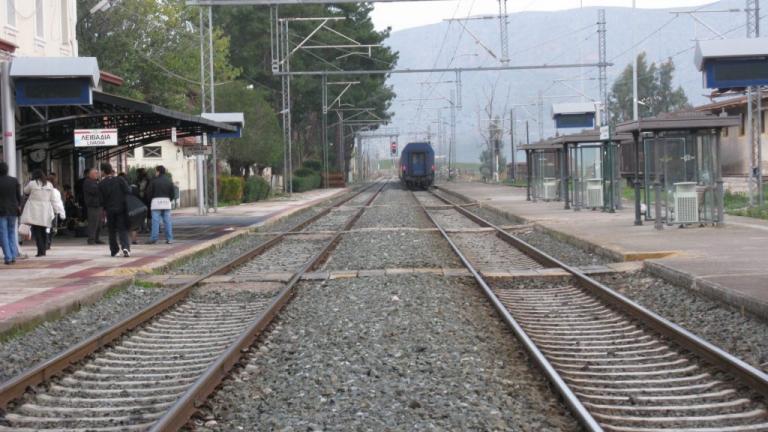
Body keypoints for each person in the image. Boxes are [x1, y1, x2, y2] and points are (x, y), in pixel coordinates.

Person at [20, 169, 57, 257]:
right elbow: (53, 198)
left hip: (34, 210)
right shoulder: (49, 184)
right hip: (45, 210)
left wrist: (28, 182)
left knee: (37, 231)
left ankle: (40, 251)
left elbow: (25, 191)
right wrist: (55, 210)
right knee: (43, 230)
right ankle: (43, 250)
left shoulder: (32, 183)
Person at [98, 163, 131, 257]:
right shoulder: (120, 180)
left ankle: (114, 250)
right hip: (121, 209)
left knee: (111, 231)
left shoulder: (101, 184)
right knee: (122, 229)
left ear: (103, 171)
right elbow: (128, 191)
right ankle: (125, 247)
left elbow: (100, 200)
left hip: (109, 210)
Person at [146, 165, 175, 244]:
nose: (155, 173)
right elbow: (172, 194)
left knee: (155, 222)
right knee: (167, 221)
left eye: (156, 171)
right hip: (166, 203)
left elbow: (149, 193)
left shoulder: (154, 181)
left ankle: (154, 238)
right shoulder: (169, 181)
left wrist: (150, 200)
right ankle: (169, 238)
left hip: (156, 203)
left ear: (158, 171)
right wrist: (169, 199)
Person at [0, 162, 20, 264]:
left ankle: (8, 257)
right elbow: (18, 196)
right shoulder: (14, 181)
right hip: (13, 210)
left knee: (3, 234)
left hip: (1, 211)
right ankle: (13, 255)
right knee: (11, 232)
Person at [83, 168, 103, 245]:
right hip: (92, 205)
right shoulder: (88, 182)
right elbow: (95, 191)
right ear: (91, 174)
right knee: (93, 223)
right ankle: (91, 239)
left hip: (98, 205)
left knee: (99, 223)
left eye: (97, 173)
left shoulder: (96, 182)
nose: (97, 174)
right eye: (96, 173)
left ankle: (97, 238)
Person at [46, 174, 66, 250]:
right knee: (52, 228)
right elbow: (58, 203)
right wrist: (62, 214)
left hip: (45, 212)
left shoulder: (43, 190)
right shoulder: (55, 191)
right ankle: (48, 242)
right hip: (53, 212)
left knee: (47, 228)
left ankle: (47, 242)